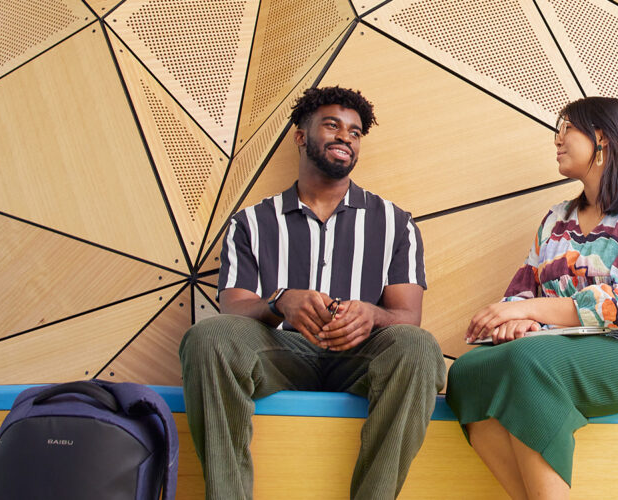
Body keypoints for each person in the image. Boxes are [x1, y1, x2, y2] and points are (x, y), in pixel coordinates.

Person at [445, 96, 618, 499]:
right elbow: (524, 288)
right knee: (468, 373)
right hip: (566, 350)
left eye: (566, 129)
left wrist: (530, 310)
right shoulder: (556, 219)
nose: (556, 139)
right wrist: (519, 317)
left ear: (602, 138)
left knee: (528, 362)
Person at [179, 86, 445, 500]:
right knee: (209, 337)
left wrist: (371, 316)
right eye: (332, 125)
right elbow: (232, 306)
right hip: (280, 351)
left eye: (355, 132)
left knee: (419, 347)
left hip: (359, 356)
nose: (345, 137)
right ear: (301, 135)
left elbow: (407, 315)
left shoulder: (396, 223)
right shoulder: (250, 223)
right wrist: (279, 301)